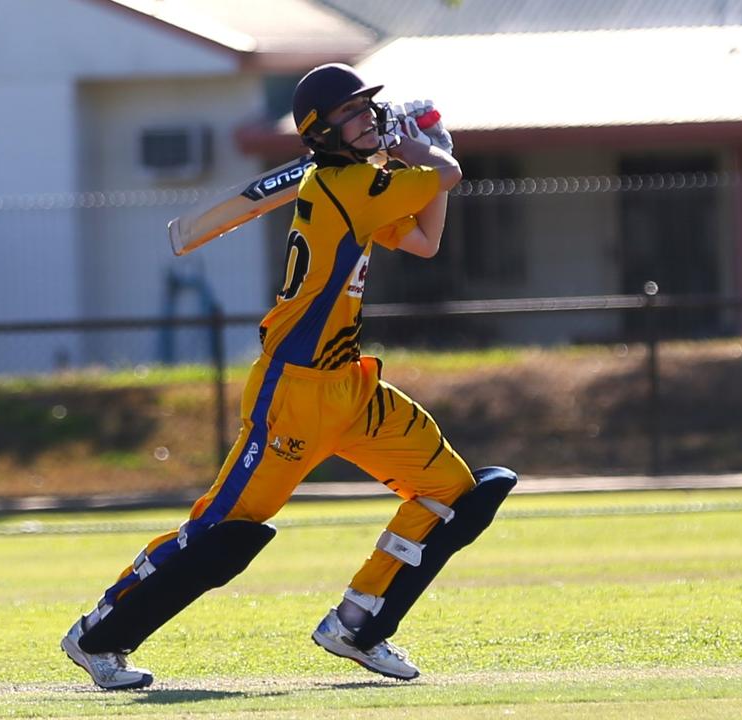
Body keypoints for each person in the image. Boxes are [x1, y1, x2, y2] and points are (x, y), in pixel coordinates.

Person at [61, 63, 517, 690]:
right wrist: (429, 146)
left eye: (369, 109)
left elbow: (424, 240)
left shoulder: (358, 182)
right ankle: (97, 636)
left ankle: (359, 622)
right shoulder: (346, 185)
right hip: (294, 393)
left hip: (350, 388)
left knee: (452, 495)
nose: (370, 119)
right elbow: (447, 176)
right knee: (220, 534)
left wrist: (425, 154)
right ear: (325, 133)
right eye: (355, 113)